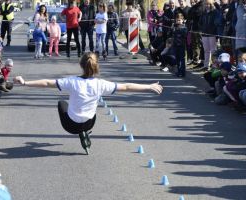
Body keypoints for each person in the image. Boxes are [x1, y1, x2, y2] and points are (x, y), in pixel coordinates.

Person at [13, 52, 163, 155]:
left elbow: (46, 83)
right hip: (89, 123)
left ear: (81, 65)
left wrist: (25, 82)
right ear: (96, 67)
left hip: (71, 126)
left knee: (61, 103)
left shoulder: (72, 82)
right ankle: (84, 132)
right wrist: (148, 86)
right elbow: (126, 86)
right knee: (92, 106)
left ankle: (80, 132)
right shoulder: (101, 84)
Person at [172, 13, 188, 77]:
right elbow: (172, 34)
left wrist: (178, 29)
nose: (178, 21)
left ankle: (182, 72)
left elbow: (184, 35)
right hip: (176, 45)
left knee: (182, 59)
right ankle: (179, 71)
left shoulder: (184, 27)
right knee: (177, 59)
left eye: (179, 20)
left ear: (182, 20)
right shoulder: (175, 27)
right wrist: (173, 28)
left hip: (181, 45)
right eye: (177, 20)